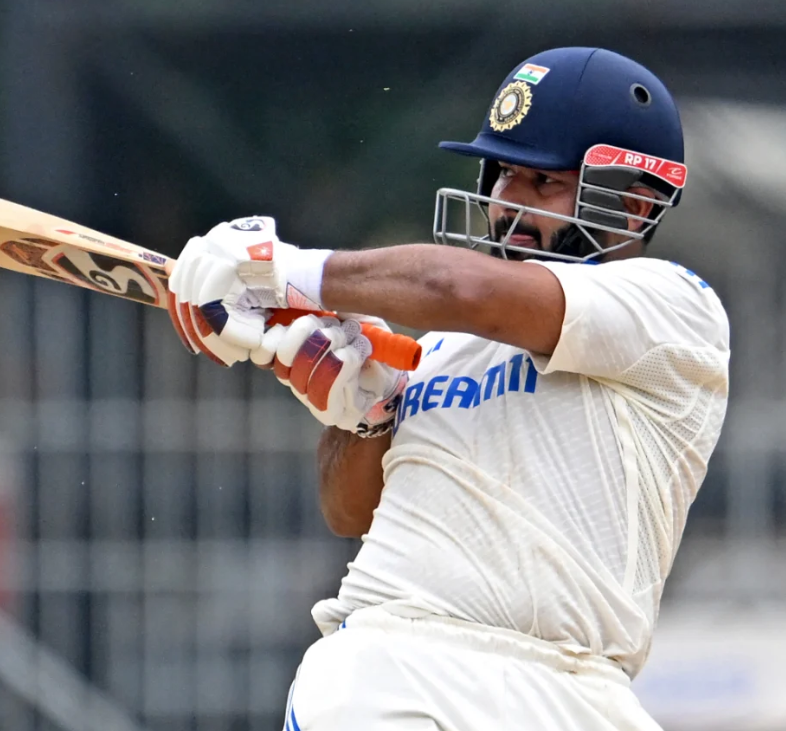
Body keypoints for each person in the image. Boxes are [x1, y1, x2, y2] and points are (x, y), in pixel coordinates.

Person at [168, 47, 730, 730]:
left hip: (581, 691)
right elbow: (349, 511)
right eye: (502, 174)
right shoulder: (438, 346)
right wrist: (365, 410)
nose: (507, 202)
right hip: (398, 664)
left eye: (541, 182)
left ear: (635, 201)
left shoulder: (673, 308)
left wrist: (281, 270)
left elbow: (454, 285)